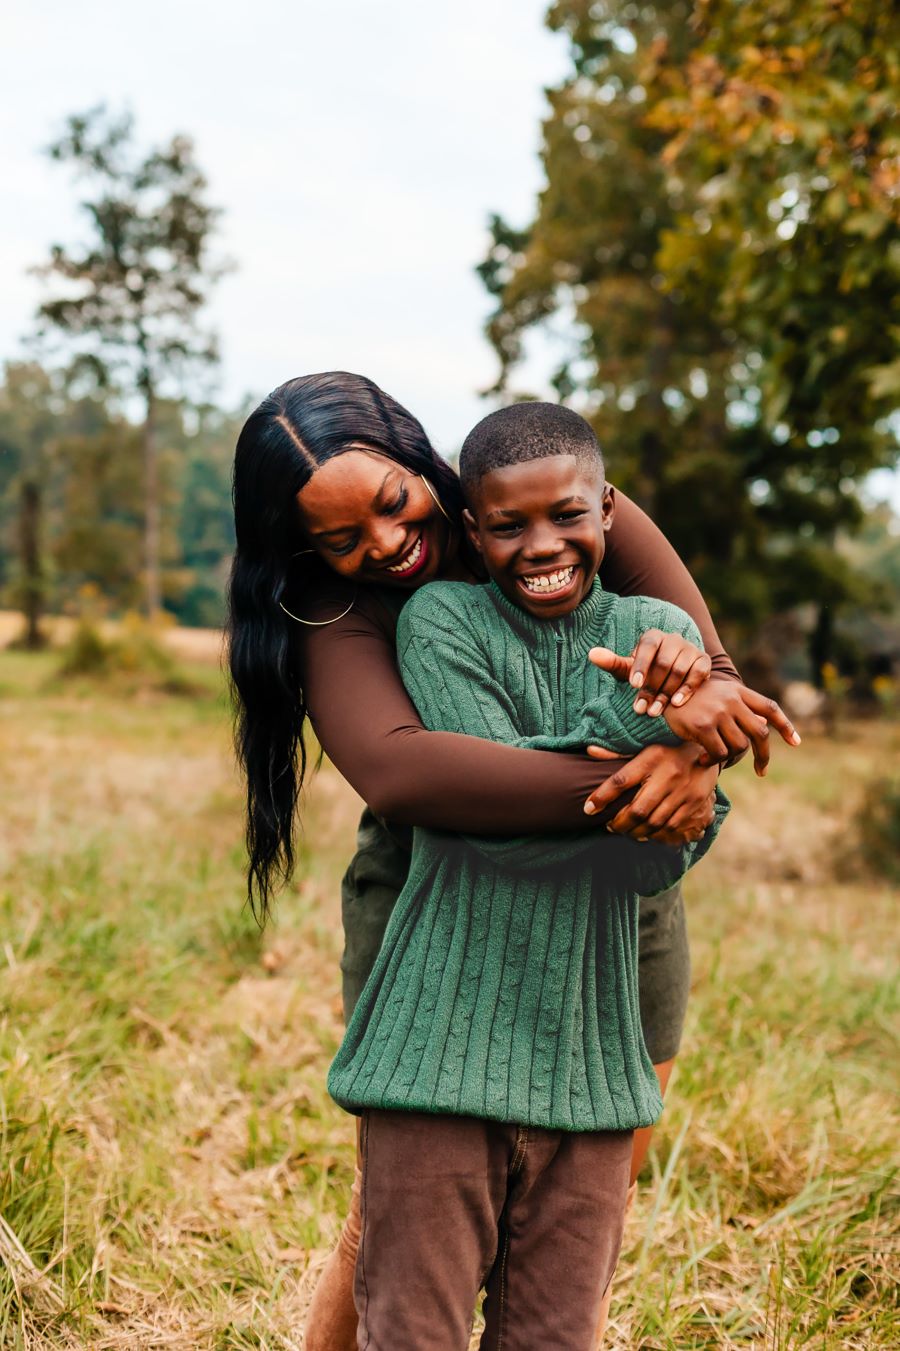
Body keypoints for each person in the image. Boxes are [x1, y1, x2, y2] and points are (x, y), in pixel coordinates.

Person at [225, 372, 799, 1349]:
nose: (384, 543)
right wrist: (655, 774)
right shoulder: (338, 608)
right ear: (305, 548)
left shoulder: (543, 490)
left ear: (422, 464)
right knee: (403, 1210)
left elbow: (712, 669)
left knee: (589, 1197)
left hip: (617, 896)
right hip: (431, 894)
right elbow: (408, 775)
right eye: (339, 536)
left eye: (394, 503)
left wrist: (693, 757)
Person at [327, 402, 731, 1348]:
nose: (541, 543)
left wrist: (697, 763)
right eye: (508, 524)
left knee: (559, 1332)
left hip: (591, 1062)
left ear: (608, 512)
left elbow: (667, 850)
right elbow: (496, 815)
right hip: (439, 1058)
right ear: (473, 528)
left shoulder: (660, 626)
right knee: (410, 1324)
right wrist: (658, 729)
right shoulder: (441, 618)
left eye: (568, 516)